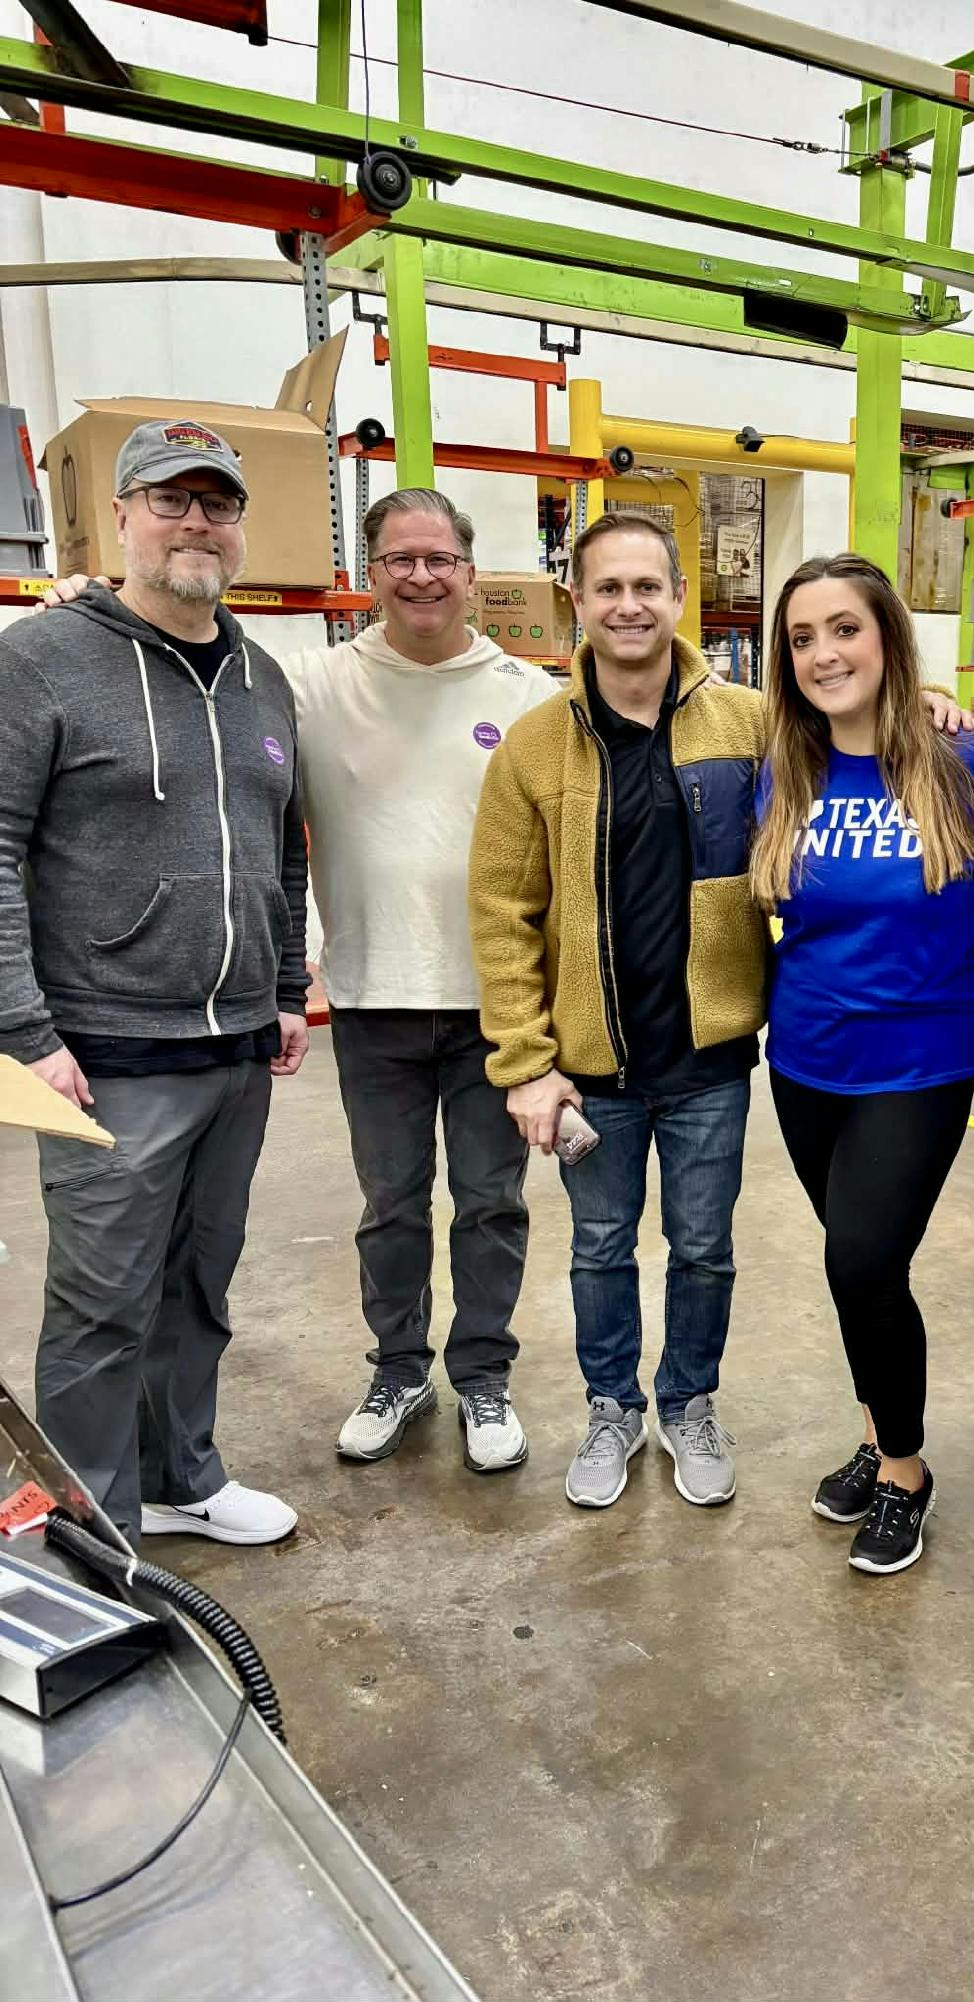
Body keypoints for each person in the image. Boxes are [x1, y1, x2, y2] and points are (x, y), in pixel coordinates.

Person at [470, 512, 971, 1512]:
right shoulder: (533, 745)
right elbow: (499, 911)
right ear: (578, 599)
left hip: (714, 1057)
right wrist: (525, 1060)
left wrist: (929, 699)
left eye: (647, 586)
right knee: (602, 1249)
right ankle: (614, 1409)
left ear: (678, 599)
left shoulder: (749, 726)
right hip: (597, 1058)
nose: (628, 605)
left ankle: (690, 1402)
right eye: (606, 587)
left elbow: (861, 724)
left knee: (709, 1250)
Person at [0, 420, 309, 1544]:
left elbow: (281, 844)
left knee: (197, 1286)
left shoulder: (262, 676)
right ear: (120, 516)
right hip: (102, 1052)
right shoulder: (43, 660)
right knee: (98, 1305)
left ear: (238, 527)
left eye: (215, 504)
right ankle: (86, 1527)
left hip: (235, 1049)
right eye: (168, 499)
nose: (195, 522)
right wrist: (24, 1031)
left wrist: (282, 987)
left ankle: (182, 1475)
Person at [283, 491, 556, 1476]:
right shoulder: (314, 684)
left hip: (497, 1002)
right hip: (373, 994)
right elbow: (202, 669)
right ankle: (399, 1368)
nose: (423, 576)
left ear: (471, 571)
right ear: (372, 572)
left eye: (440, 557)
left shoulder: (529, 692)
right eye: (400, 558)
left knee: (490, 1200)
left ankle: (482, 1373)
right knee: (390, 1201)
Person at [750, 554, 974, 1575]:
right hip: (807, 1057)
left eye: (844, 628)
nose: (823, 653)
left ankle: (904, 1469)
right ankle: (876, 1431)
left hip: (922, 1059)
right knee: (866, 1275)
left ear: (890, 638)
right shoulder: (785, 772)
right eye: (803, 637)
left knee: (860, 1258)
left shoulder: (972, 765)